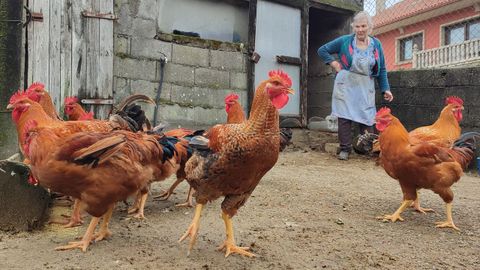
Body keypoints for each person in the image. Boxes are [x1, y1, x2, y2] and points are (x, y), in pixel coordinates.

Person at [317, 11, 393, 161]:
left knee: (367, 116)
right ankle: (345, 148)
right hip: (346, 83)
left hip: (366, 84)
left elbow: (382, 68)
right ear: (353, 27)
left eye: (363, 26)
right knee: (344, 116)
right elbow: (322, 50)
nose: (360, 29)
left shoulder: (376, 44)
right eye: (357, 26)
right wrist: (333, 63)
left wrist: (386, 88)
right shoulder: (345, 41)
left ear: (370, 27)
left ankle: (366, 147)